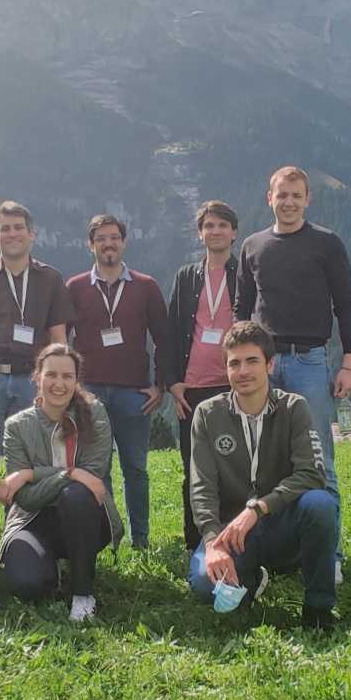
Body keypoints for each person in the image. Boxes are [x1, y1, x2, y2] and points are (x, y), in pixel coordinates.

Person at [235, 166, 351, 579]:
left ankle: (329, 557)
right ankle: (271, 549)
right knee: (262, 456)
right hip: (264, 365)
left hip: (310, 361)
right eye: (281, 194)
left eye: (296, 195)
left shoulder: (327, 244)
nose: (288, 202)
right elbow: (241, 312)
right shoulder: (253, 246)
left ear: (308, 200)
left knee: (319, 456)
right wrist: (241, 363)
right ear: (268, 198)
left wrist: (348, 363)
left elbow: (346, 305)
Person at [188, 321, 338, 630]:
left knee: (321, 504)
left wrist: (259, 508)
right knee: (205, 587)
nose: (242, 371)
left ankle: (318, 608)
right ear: (226, 369)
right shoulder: (207, 414)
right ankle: (254, 577)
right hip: (232, 532)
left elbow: (312, 474)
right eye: (234, 363)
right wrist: (213, 541)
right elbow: (202, 485)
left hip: (281, 523)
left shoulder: (294, 408)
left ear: (269, 364)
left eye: (252, 361)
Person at [0, 344, 123, 622]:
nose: (59, 384)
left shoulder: (95, 413)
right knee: (28, 585)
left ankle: (82, 593)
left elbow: (91, 479)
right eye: (51, 375)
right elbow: (26, 499)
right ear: (37, 377)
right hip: (33, 519)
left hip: (85, 516)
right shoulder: (17, 426)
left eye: (67, 376)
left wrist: (31, 474)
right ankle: (49, 567)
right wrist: (70, 473)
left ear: (76, 380)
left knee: (76, 495)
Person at [66, 214, 169, 550]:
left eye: (114, 237)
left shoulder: (146, 286)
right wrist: (68, 389)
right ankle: (109, 537)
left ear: (124, 243)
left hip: (133, 392)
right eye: (101, 238)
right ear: (91, 244)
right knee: (99, 469)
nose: (108, 244)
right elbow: (59, 339)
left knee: (136, 468)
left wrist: (161, 384)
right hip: (90, 393)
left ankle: (141, 541)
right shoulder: (76, 287)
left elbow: (164, 338)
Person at [0, 201, 75, 477]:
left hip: (32, 382)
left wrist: (62, 382)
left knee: (31, 464)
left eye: (19, 227)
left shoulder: (50, 279)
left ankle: (23, 522)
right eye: (5, 229)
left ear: (32, 234)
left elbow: (58, 338)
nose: (12, 234)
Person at [162, 200, 240, 552]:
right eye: (209, 225)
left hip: (232, 385)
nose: (216, 231)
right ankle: (195, 543)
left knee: (233, 465)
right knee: (193, 468)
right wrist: (172, 382)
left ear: (234, 233)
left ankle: (234, 539)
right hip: (191, 389)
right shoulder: (187, 276)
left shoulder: (246, 272)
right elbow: (170, 330)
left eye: (222, 225)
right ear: (200, 233)